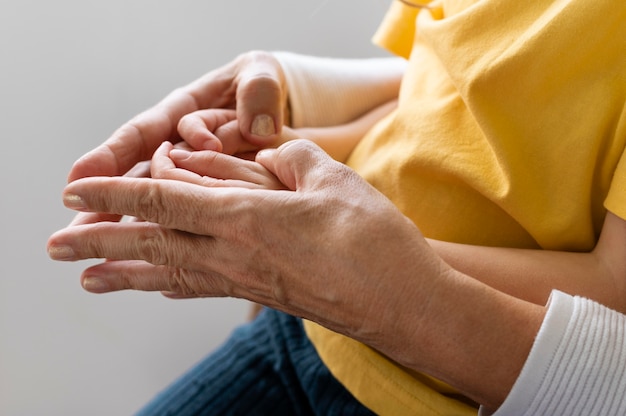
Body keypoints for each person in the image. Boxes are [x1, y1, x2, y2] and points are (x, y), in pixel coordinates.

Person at [46, 0, 626, 414]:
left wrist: (334, 251)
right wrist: (281, 149)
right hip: (305, 331)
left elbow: (615, 290)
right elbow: (432, 98)